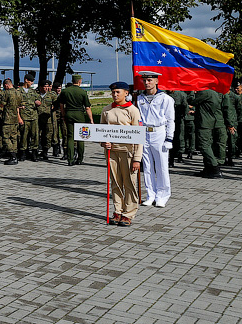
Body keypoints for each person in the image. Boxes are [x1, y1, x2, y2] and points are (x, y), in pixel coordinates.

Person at [101, 81, 143, 227]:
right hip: (112, 152)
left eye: (118, 92)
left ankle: (128, 213)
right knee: (116, 183)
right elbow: (102, 131)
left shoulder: (133, 110)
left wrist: (137, 159)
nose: (115, 94)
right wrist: (104, 142)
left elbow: (139, 136)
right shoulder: (106, 110)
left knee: (129, 183)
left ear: (126, 93)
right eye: (113, 92)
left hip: (128, 152)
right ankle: (118, 210)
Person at [135, 71, 175, 208]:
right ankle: (150, 194)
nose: (147, 83)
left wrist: (169, 138)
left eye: (150, 80)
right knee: (147, 166)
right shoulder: (140, 98)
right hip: (145, 133)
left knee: (161, 166)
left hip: (159, 133)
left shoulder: (165, 98)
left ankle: (163, 195)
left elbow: (170, 120)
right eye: (145, 80)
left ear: (157, 81)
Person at [58, 74, 93, 166]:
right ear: (79, 81)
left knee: (70, 137)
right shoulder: (82, 92)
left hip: (69, 113)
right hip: (79, 114)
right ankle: (80, 158)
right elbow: (87, 107)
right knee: (81, 137)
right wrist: (91, 119)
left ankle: (70, 159)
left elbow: (61, 105)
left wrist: (63, 115)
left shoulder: (65, 91)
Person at [0, 78, 23, 165]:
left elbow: (2, 105)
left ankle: (12, 156)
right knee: (13, 137)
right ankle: (15, 155)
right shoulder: (19, 93)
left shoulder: (6, 93)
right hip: (15, 118)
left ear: (6, 85)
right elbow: (21, 105)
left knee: (6, 137)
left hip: (7, 118)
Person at [19, 73, 41, 162]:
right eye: (30, 81)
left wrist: (38, 102)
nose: (31, 83)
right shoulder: (18, 91)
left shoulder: (33, 92)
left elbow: (38, 100)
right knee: (24, 135)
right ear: (26, 80)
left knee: (35, 135)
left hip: (33, 117)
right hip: (24, 116)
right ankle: (23, 153)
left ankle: (34, 153)